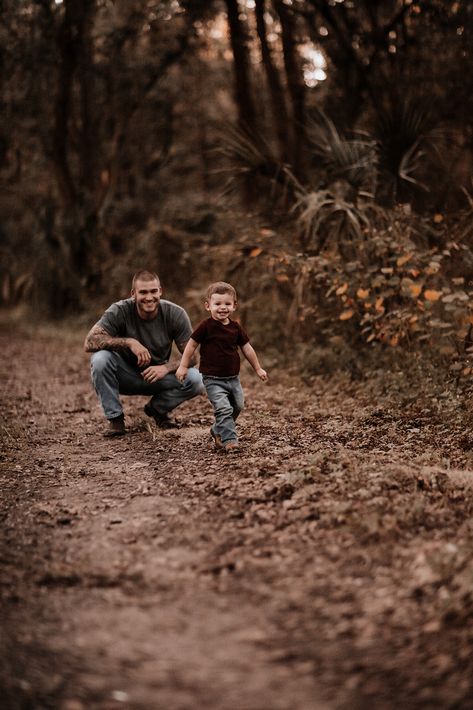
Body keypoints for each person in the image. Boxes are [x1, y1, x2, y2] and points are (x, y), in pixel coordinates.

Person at [84, 269, 204, 437]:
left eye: (154, 291)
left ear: (160, 291)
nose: (149, 297)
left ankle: (157, 409)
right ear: (133, 293)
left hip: (157, 378)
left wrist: (165, 368)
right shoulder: (119, 310)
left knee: (197, 379)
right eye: (143, 292)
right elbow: (89, 341)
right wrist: (129, 342)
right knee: (100, 359)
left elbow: (193, 357)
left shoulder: (175, 314)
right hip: (125, 376)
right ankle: (115, 419)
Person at [176, 281, 268, 453]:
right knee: (224, 408)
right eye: (217, 303)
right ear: (208, 306)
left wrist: (258, 368)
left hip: (233, 378)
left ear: (234, 306)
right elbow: (191, 345)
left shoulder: (236, 328)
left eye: (227, 303)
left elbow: (247, 348)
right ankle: (229, 440)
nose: (222, 307)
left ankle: (218, 429)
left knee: (238, 406)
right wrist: (183, 366)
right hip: (212, 378)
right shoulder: (206, 326)